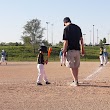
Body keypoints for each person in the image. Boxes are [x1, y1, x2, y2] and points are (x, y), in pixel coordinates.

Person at [62, 17, 85, 87]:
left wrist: (64, 51)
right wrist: (82, 49)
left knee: (71, 66)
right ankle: (76, 79)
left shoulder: (66, 29)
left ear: (65, 22)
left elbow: (66, 41)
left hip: (70, 50)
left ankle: (75, 81)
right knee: (76, 66)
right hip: (77, 50)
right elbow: (81, 39)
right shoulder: (78, 28)